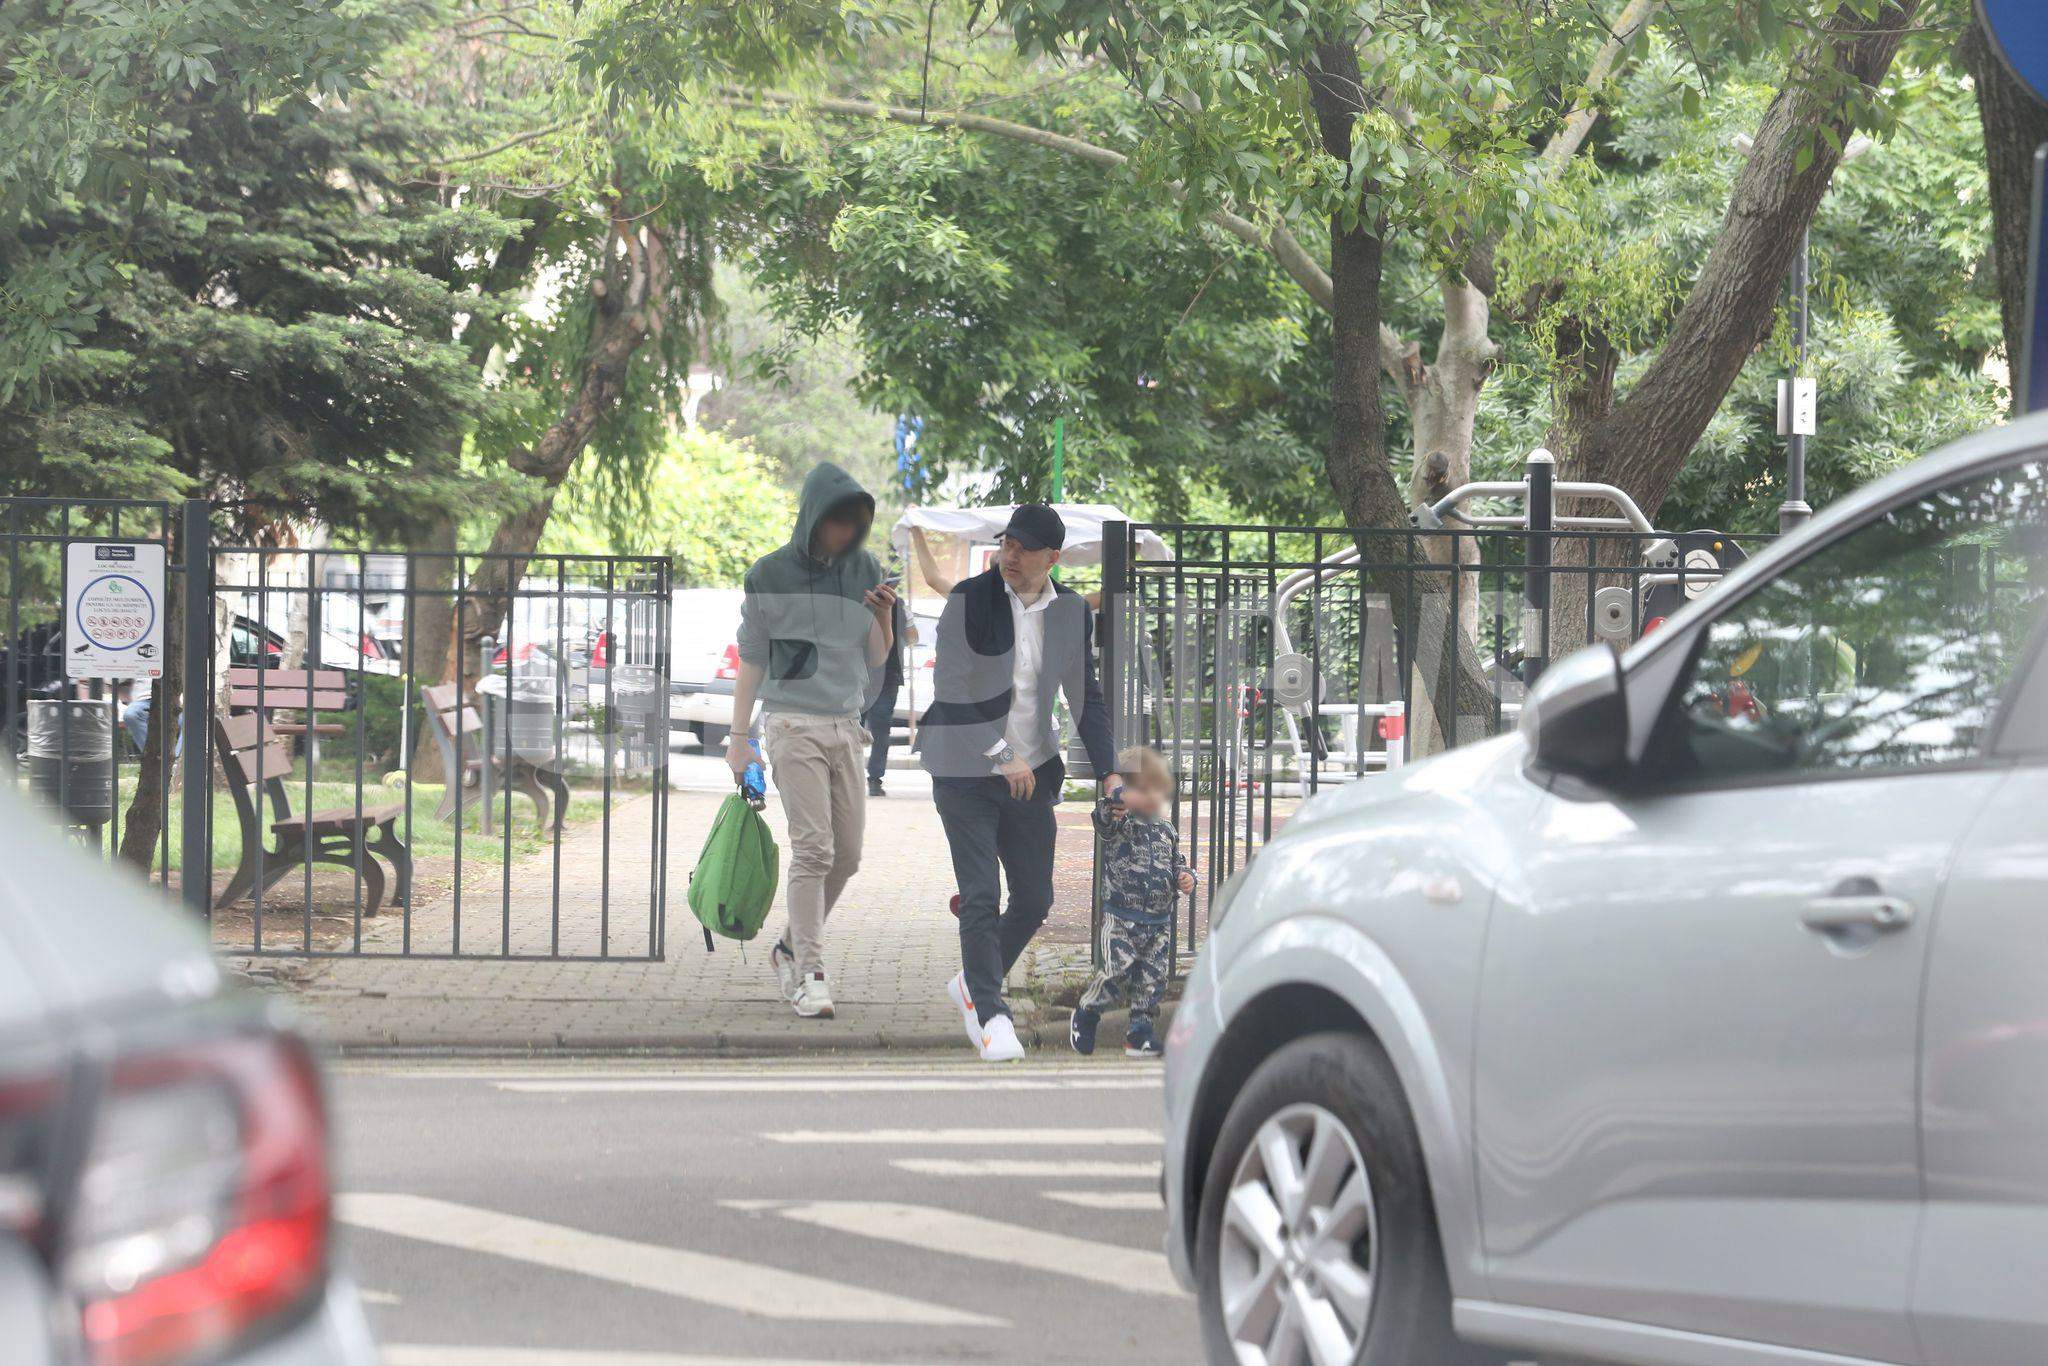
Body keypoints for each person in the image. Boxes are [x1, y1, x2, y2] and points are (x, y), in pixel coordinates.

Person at [921, 503, 1120, 1062]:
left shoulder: (1071, 611)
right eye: (1007, 543)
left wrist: (1107, 772)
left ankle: (972, 981)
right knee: (981, 894)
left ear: (1052, 557)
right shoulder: (969, 599)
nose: (1010, 554)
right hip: (964, 769)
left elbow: (1086, 697)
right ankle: (992, 1015)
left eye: (1024, 548)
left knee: (1033, 899)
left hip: (1031, 773)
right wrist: (1002, 752)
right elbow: (953, 688)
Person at [726, 462, 897, 1020]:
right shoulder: (767, 574)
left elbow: (875, 657)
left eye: (855, 524)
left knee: (846, 856)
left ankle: (788, 947)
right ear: (813, 518)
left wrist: (884, 619)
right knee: (814, 850)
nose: (845, 534)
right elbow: (752, 658)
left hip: (847, 727)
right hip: (791, 724)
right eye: (836, 522)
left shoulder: (866, 568)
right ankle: (810, 976)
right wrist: (738, 738)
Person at [1070, 745, 1194, 1058]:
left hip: (1158, 920)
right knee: (1117, 972)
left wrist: (1187, 876)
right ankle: (1087, 1013)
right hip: (1122, 918)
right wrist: (1119, 797)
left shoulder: (1166, 828)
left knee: (1152, 982)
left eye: (1156, 789)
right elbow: (1104, 817)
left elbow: (1176, 862)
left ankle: (1140, 1033)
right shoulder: (1119, 823)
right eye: (1142, 789)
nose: (1150, 797)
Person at [862, 582, 911, 797]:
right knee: (880, 731)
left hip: (864, 675)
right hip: (884, 676)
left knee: (851, 726)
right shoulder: (900, 605)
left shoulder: (856, 601)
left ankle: (852, 776)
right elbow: (912, 637)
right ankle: (874, 779)